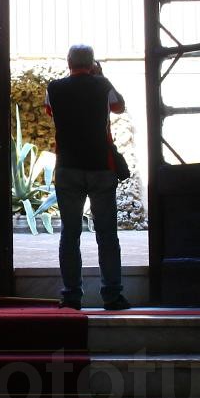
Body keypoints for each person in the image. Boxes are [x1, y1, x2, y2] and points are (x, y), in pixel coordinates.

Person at [43, 44, 130, 310]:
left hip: (68, 168)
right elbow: (119, 107)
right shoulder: (102, 85)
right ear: (92, 63)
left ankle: (71, 296)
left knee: (69, 234)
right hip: (101, 167)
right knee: (107, 234)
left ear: (68, 62)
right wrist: (100, 76)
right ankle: (112, 295)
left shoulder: (54, 88)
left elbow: (51, 112)